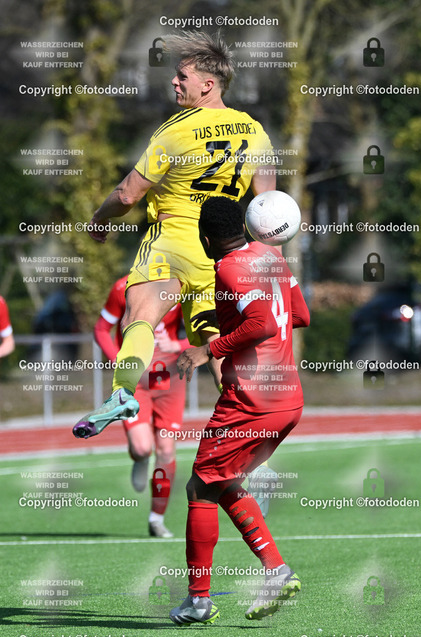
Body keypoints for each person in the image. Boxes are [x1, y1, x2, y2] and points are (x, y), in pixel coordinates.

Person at [72, 31, 275, 439]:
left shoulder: (176, 130)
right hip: (221, 249)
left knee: (139, 315)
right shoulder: (255, 131)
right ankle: (250, 433)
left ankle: (122, 393)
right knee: (216, 341)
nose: (174, 82)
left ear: (208, 84)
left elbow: (128, 194)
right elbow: (266, 206)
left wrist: (99, 219)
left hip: (175, 238)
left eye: (183, 76)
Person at [168, 196, 310, 625]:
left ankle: (198, 601)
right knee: (222, 480)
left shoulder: (229, 267)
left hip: (251, 402)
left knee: (199, 488)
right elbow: (299, 315)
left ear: (206, 238)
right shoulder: (271, 258)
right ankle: (276, 571)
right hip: (288, 399)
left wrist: (207, 350)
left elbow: (261, 323)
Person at [93, 275, 189, 538]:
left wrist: (178, 345)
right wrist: (117, 359)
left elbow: (206, 332)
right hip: (135, 378)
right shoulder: (123, 287)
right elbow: (101, 329)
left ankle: (156, 519)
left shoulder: (183, 284)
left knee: (166, 450)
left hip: (168, 378)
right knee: (142, 447)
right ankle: (140, 457)